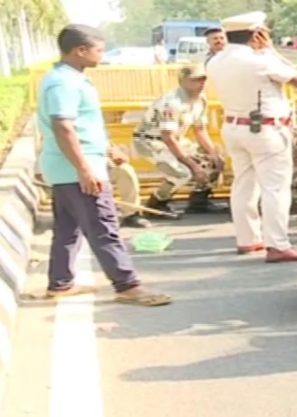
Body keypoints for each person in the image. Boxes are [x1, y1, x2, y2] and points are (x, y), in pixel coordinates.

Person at [38, 24, 170, 306]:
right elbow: (64, 127)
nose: (103, 54)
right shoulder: (64, 83)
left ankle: (60, 283)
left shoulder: (70, 78)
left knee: (68, 228)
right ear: (80, 51)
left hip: (70, 167)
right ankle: (127, 285)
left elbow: (84, 125)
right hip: (76, 169)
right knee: (103, 226)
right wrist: (85, 169)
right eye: (99, 50)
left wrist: (108, 148)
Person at [207, 11, 297, 261]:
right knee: (275, 188)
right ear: (257, 34)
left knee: (243, 184)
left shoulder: (215, 61)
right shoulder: (261, 60)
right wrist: (271, 50)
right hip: (266, 128)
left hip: (233, 125)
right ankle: (277, 244)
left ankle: (248, 239)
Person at [132, 64, 227, 217]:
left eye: (204, 79)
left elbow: (200, 130)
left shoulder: (200, 100)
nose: (201, 84)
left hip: (176, 139)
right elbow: (167, 137)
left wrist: (214, 154)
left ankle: (199, 201)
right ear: (182, 81)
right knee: (181, 173)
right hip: (150, 141)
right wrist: (193, 165)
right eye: (195, 80)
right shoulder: (172, 103)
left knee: (213, 160)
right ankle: (156, 204)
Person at [107, 145, 151, 228]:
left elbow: (122, 156)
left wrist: (117, 155)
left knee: (125, 169)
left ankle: (130, 214)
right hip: (79, 171)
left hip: (102, 171)